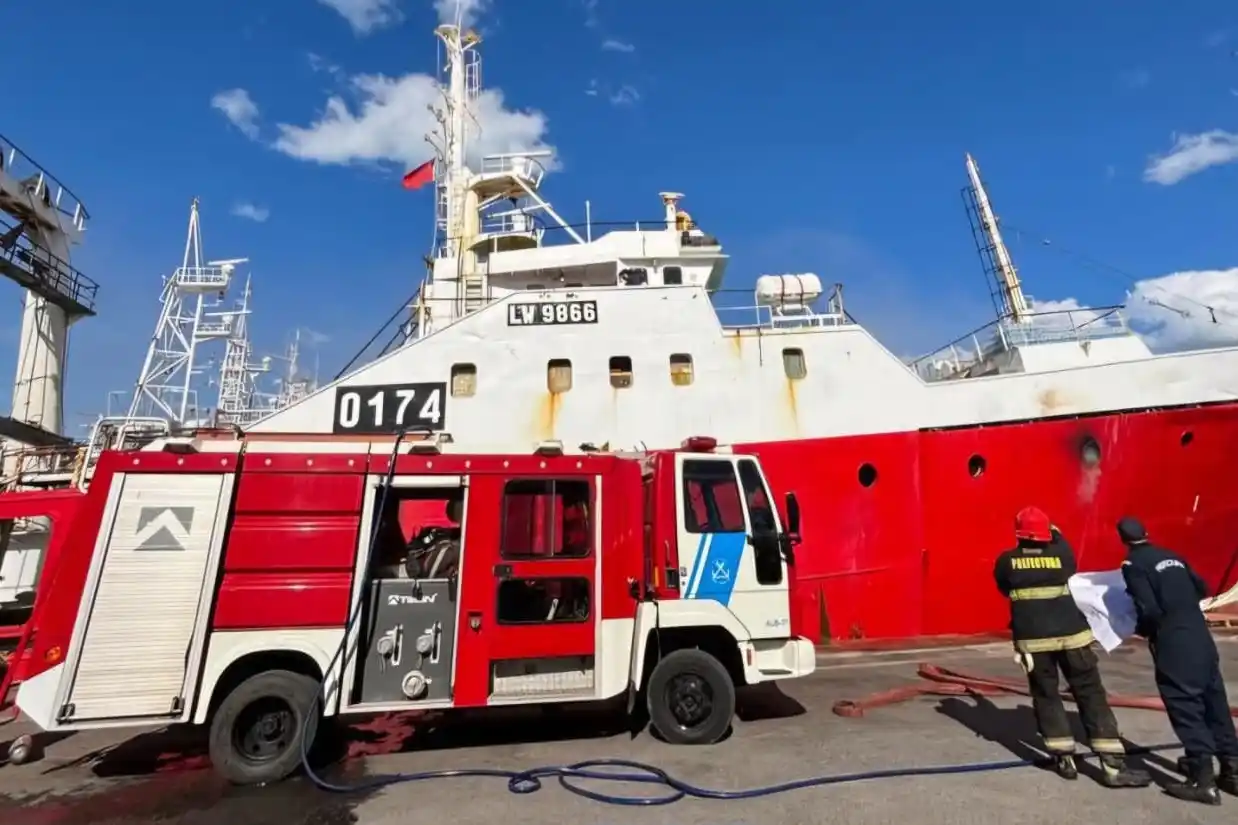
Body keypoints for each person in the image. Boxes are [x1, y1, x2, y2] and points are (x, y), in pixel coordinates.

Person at [993, 507, 1151, 788]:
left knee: (1046, 695)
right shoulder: (1062, 557)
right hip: (1073, 637)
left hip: (1034, 643)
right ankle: (1112, 767)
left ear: (1019, 535)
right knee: (1090, 694)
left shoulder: (1007, 561)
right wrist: (1053, 532)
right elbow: (1065, 553)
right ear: (1046, 533)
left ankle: (1063, 758)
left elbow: (1004, 588)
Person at [1119, 516, 1238, 805]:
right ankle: (1232, 771)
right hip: (1200, 637)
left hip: (1174, 642)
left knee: (1186, 708)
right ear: (1147, 532)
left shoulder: (1133, 565)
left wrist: (1142, 628)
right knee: (1214, 704)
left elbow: (1148, 608)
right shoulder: (1173, 556)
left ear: (1123, 540)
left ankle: (1202, 780)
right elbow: (1202, 587)